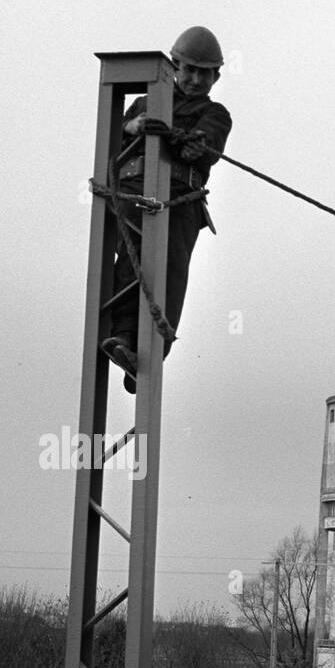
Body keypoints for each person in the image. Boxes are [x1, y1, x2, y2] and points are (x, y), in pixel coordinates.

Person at [101, 26, 232, 394]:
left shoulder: (215, 113)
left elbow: (205, 147)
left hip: (179, 202)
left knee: (171, 272)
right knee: (132, 260)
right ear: (174, 66)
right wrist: (134, 126)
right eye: (188, 69)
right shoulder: (145, 103)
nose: (193, 78)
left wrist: (184, 141)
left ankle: (151, 352)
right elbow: (114, 136)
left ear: (214, 77)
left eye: (202, 72)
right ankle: (124, 339)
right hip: (132, 193)